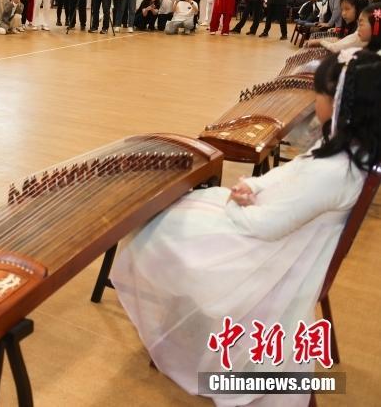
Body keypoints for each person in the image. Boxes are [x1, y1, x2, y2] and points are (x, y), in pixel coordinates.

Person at [110, 48, 379, 407]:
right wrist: (254, 186)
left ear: (343, 103)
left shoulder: (334, 172)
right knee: (178, 212)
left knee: (156, 228)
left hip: (268, 254)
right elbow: (294, 170)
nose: (317, 99)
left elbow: (266, 226)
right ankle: (185, 328)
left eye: (323, 94)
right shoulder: (349, 152)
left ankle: (182, 329)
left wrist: (236, 205)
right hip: (274, 230)